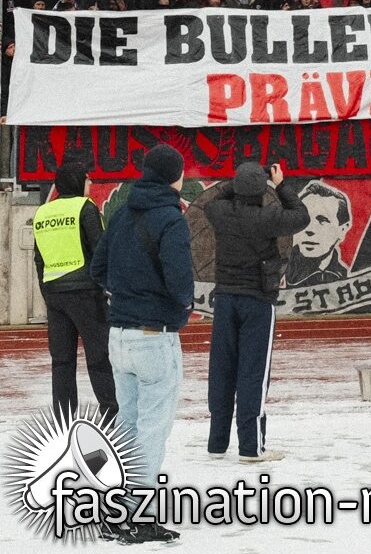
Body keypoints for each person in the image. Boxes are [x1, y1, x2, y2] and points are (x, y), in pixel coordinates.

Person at [91, 143, 192, 544]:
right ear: (175, 176)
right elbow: (181, 282)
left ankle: (114, 512)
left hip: (119, 336)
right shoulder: (171, 219)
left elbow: (98, 268)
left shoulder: (120, 213)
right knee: (152, 430)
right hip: (155, 337)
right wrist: (182, 303)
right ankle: (141, 517)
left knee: (126, 425)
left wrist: (127, 295)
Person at [204, 162, 309, 463]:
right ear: (262, 190)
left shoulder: (220, 213)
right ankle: (251, 447)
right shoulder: (268, 217)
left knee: (222, 372)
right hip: (258, 301)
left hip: (225, 299)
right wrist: (280, 185)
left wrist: (235, 183)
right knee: (253, 374)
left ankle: (217, 444)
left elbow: (215, 200)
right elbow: (301, 215)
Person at [32, 159, 117, 421]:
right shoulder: (85, 207)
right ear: (78, 181)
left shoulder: (43, 212)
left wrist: (47, 293)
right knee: (99, 357)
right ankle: (111, 414)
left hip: (55, 295)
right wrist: (106, 289)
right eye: (87, 178)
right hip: (86, 294)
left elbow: (39, 259)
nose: (90, 182)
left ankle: (64, 419)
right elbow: (100, 251)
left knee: (62, 361)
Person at [284, 181, 352, 287]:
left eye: (322, 220)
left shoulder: (348, 276)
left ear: (342, 230)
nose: (309, 229)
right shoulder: (279, 271)